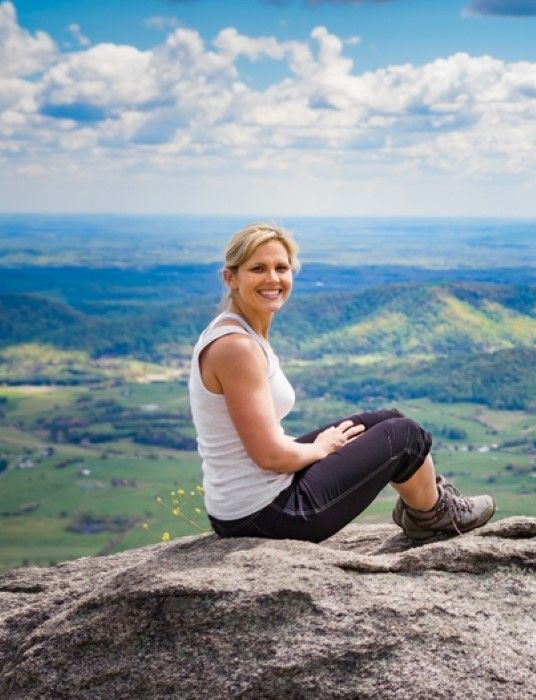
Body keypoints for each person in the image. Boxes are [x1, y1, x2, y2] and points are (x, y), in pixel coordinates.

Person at [188, 222, 495, 543]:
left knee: (385, 420)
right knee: (405, 437)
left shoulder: (238, 332)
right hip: (267, 514)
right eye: (258, 269)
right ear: (230, 278)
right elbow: (269, 456)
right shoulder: (237, 348)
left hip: (249, 503)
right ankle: (434, 517)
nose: (273, 279)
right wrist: (319, 448)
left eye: (282, 267)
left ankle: (424, 507)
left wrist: (318, 449)